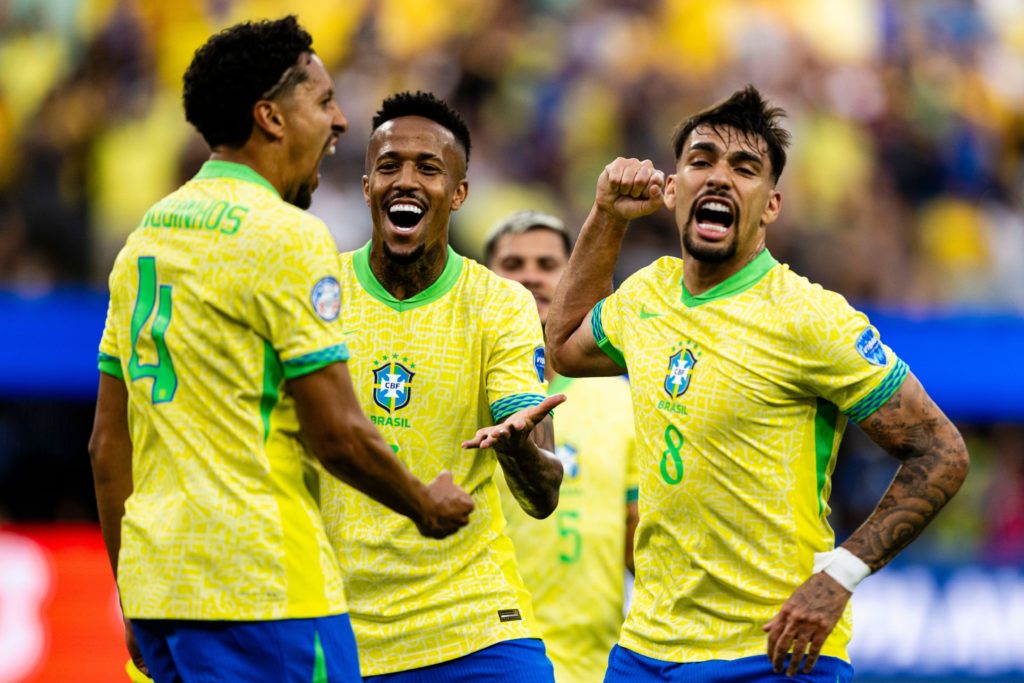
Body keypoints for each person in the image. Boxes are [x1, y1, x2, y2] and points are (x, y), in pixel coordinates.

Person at [89, 18, 474, 683]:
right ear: (270, 116)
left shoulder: (145, 241)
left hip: (160, 596)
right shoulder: (288, 237)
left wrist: (135, 594)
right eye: (322, 101)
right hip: (267, 590)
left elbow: (106, 446)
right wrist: (424, 503)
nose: (341, 121)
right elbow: (338, 435)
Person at [544, 85, 970, 682]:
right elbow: (561, 345)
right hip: (644, 652)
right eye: (701, 161)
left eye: (744, 169)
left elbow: (941, 451)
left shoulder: (809, 317)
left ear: (770, 205)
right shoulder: (646, 293)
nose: (719, 178)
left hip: (771, 653)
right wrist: (606, 218)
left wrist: (840, 576)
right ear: (673, 190)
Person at [317, 91, 565, 683]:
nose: (405, 181)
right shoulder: (319, 293)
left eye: (427, 168)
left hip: (473, 625)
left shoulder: (498, 304)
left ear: (458, 193)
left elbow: (542, 495)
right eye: (388, 166)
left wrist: (518, 452)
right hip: (338, 626)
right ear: (366, 186)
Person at [484, 209, 639, 683]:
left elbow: (638, 537)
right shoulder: (458, 391)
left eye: (547, 264)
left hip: (594, 661)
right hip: (485, 652)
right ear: (485, 280)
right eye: (512, 264)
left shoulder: (622, 398)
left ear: (572, 276)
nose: (530, 276)